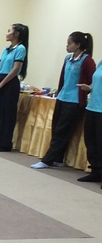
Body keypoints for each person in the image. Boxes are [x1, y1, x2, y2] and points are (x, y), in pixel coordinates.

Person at [32, 32, 96, 169]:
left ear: (78, 45)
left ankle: (47, 160)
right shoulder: (68, 58)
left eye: (69, 43)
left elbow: (94, 80)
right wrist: (57, 92)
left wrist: (88, 88)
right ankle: (58, 158)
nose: (67, 46)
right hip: (62, 98)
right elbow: (63, 78)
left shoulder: (87, 60)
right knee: (56, 129)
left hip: (74, 102)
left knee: (62, 131)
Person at [0, 23, 28, 151]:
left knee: (7, 114)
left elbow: (15, 69)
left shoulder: (20, 48)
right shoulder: (6, 49)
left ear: (16, 34)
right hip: (0, 80)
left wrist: (2, 84)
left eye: (9, 31)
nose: (6, 33)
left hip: (10, 83)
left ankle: (5, 143)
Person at [78, 47, 102, 184]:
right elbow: (97, 82)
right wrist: (89, 87)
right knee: (91, 141)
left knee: (100, 142)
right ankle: (96, 172)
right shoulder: (101, 63)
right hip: (92, 107)